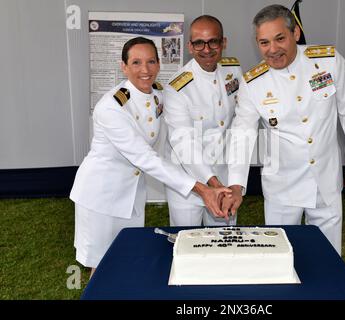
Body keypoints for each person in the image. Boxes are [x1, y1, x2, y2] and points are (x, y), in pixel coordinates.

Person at [70, 37, 231, 276]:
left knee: (127, 255)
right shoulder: (112, 107)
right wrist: (202, 189)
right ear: (123, 66)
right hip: (101, 195)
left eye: (151, 62)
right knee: (102, 263)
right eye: (136, 62)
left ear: (158, 64)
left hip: (132, 192)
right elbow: (145, 157)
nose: (144, 70)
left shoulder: (159, 92)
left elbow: (187, 113)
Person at [225, 5, 345, 255]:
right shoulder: (253, 83)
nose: (272, 49)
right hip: (282, 183)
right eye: (264, 42)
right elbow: (242, 135)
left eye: (280, 38)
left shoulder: (329, 61)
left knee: (328, 253)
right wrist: (236, 183)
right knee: (281, 253)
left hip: (325, 176)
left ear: (296, 34)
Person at [163, 15, 243, 226]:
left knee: (225, 241)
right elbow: (184, 144)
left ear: (223, 42)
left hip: (223, 173)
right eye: (199, 42)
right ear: (190, 46)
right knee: (187, 241)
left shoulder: (233, 70)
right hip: (188, 181)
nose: (206, 49)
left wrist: (230, 184)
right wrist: (213, 185)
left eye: (213, 41)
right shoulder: (176, 87)